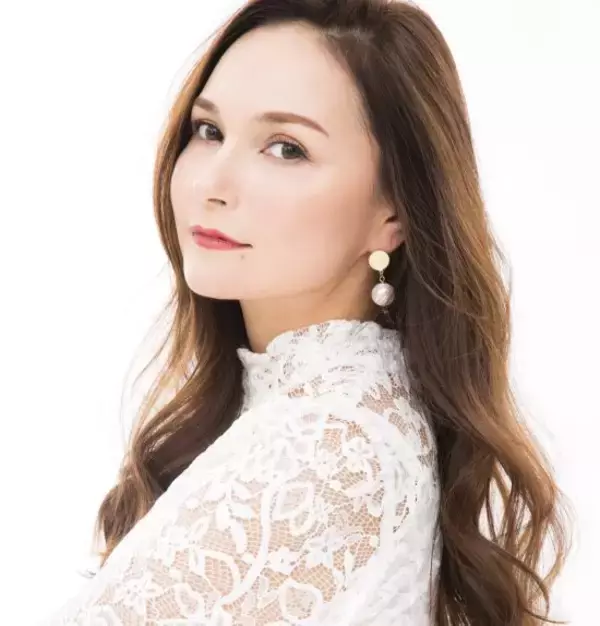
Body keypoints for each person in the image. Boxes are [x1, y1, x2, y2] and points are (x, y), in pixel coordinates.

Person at [42, 1, 570, 624]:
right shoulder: (356, 412)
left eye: (286, 148)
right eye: (208, 131)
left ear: (395, 211)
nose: (212, 183)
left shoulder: (326, 444)